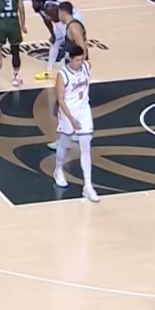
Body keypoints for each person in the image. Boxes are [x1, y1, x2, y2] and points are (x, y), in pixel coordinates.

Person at [53, 44, 100, 202]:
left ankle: (88, 185)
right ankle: (58, 169)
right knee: (64, 143)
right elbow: (60, 99)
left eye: (81, 59)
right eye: (77, 60)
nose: (80, 62)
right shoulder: (63, 75)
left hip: (84, 111)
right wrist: (71, 119)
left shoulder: (86, 67)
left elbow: (86, 60)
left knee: (85, 147)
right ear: (70, 60)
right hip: (68, 112)